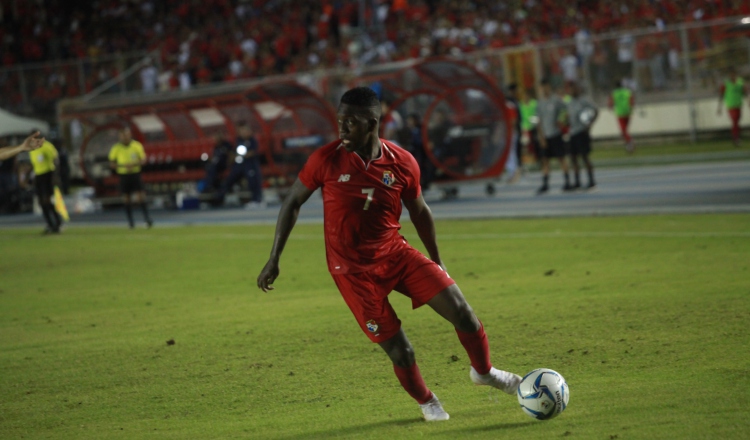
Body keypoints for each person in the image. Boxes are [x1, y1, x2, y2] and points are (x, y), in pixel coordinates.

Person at [256, 87, 522, 422]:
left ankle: (485, 372)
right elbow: (292, 201)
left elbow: (420, 211)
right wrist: (274, 257)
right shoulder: (325, 159)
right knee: (402, 351)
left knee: (463, 312)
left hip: (395, 254)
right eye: (339, 121)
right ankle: (427, 401)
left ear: (371, 123)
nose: (341, 129)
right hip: (352, 271)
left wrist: (436, 258)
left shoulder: (403, 162)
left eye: (349, 123)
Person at [108, 127, 153, 229]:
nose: (124, 137)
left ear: (130, 135)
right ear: (120, 136)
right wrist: (123, 166)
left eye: (126, 134)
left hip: (135, 174)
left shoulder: (136, 146)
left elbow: (143, 159)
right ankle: (131, 222)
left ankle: (147, 219)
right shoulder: (116, 148)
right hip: (123, 175)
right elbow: (112, 163)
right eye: (122, 135)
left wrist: (133, 165)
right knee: (126, 199)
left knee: (140, 196)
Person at [536, 79, 573, 194]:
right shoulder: (540, 103)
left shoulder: (556, 100)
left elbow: (565, 111)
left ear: (549, 87)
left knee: (561, 158)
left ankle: (567, 181)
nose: (544, 89)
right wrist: (541, 137)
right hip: (545, 135)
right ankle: (545, 183)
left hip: (555, 134)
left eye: (546, 87)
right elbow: (538, 121)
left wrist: (562, 122)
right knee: (545, 161)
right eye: (542, 87)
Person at [216, 122, 264, 208]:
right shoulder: (238, 140)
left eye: (244, 130)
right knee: (229, 180)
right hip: (240, 164)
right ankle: (218, 200)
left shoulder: (252, 140)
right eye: (240, 131)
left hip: (250, 164)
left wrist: (242, 155)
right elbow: (234, 152)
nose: (242, 133)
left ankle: (257, 200)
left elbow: (253, 152)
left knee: (253, 181)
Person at [566, 83, 599, 190]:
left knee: (585, 157)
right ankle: (577, 181)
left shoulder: (583, 101)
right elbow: (568, 117)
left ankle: (591, 180)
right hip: (572, 133)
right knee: (573, 158)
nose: (571, 91)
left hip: (581, 132)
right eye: (570, 89)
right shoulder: (569, 102)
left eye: (573, 89)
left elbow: (595, 110)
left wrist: (590, 124)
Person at [29, 134, 62, 234]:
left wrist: (55, 176)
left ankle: (57, 223)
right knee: (41, 202)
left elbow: (56, 160)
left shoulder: (47, 146)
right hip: (38, 176)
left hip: (48, 175)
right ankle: (50, 224)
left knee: (47, 200)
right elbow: (35, 165)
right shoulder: (32, 149)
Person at [717, 68, 747, 147]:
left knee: (737, 122)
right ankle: (736, 138)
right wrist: (719, 107)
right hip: (731, 106)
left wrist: (748, 100)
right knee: (735, 122)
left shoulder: (740, 82)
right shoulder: (726, 84)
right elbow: (721, 95)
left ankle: (737, 137)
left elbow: (745, 92)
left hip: (738, 105)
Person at [609, 79, 635, 153]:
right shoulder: (627, 91)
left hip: (620, 113)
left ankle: (629, 142)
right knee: (625, 130)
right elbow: (631, 100)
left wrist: (610, 106)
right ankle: (628, 144)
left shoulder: (614, 93)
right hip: (628, 112)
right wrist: (631, 106)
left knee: (623, 131)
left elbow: (611, 102)